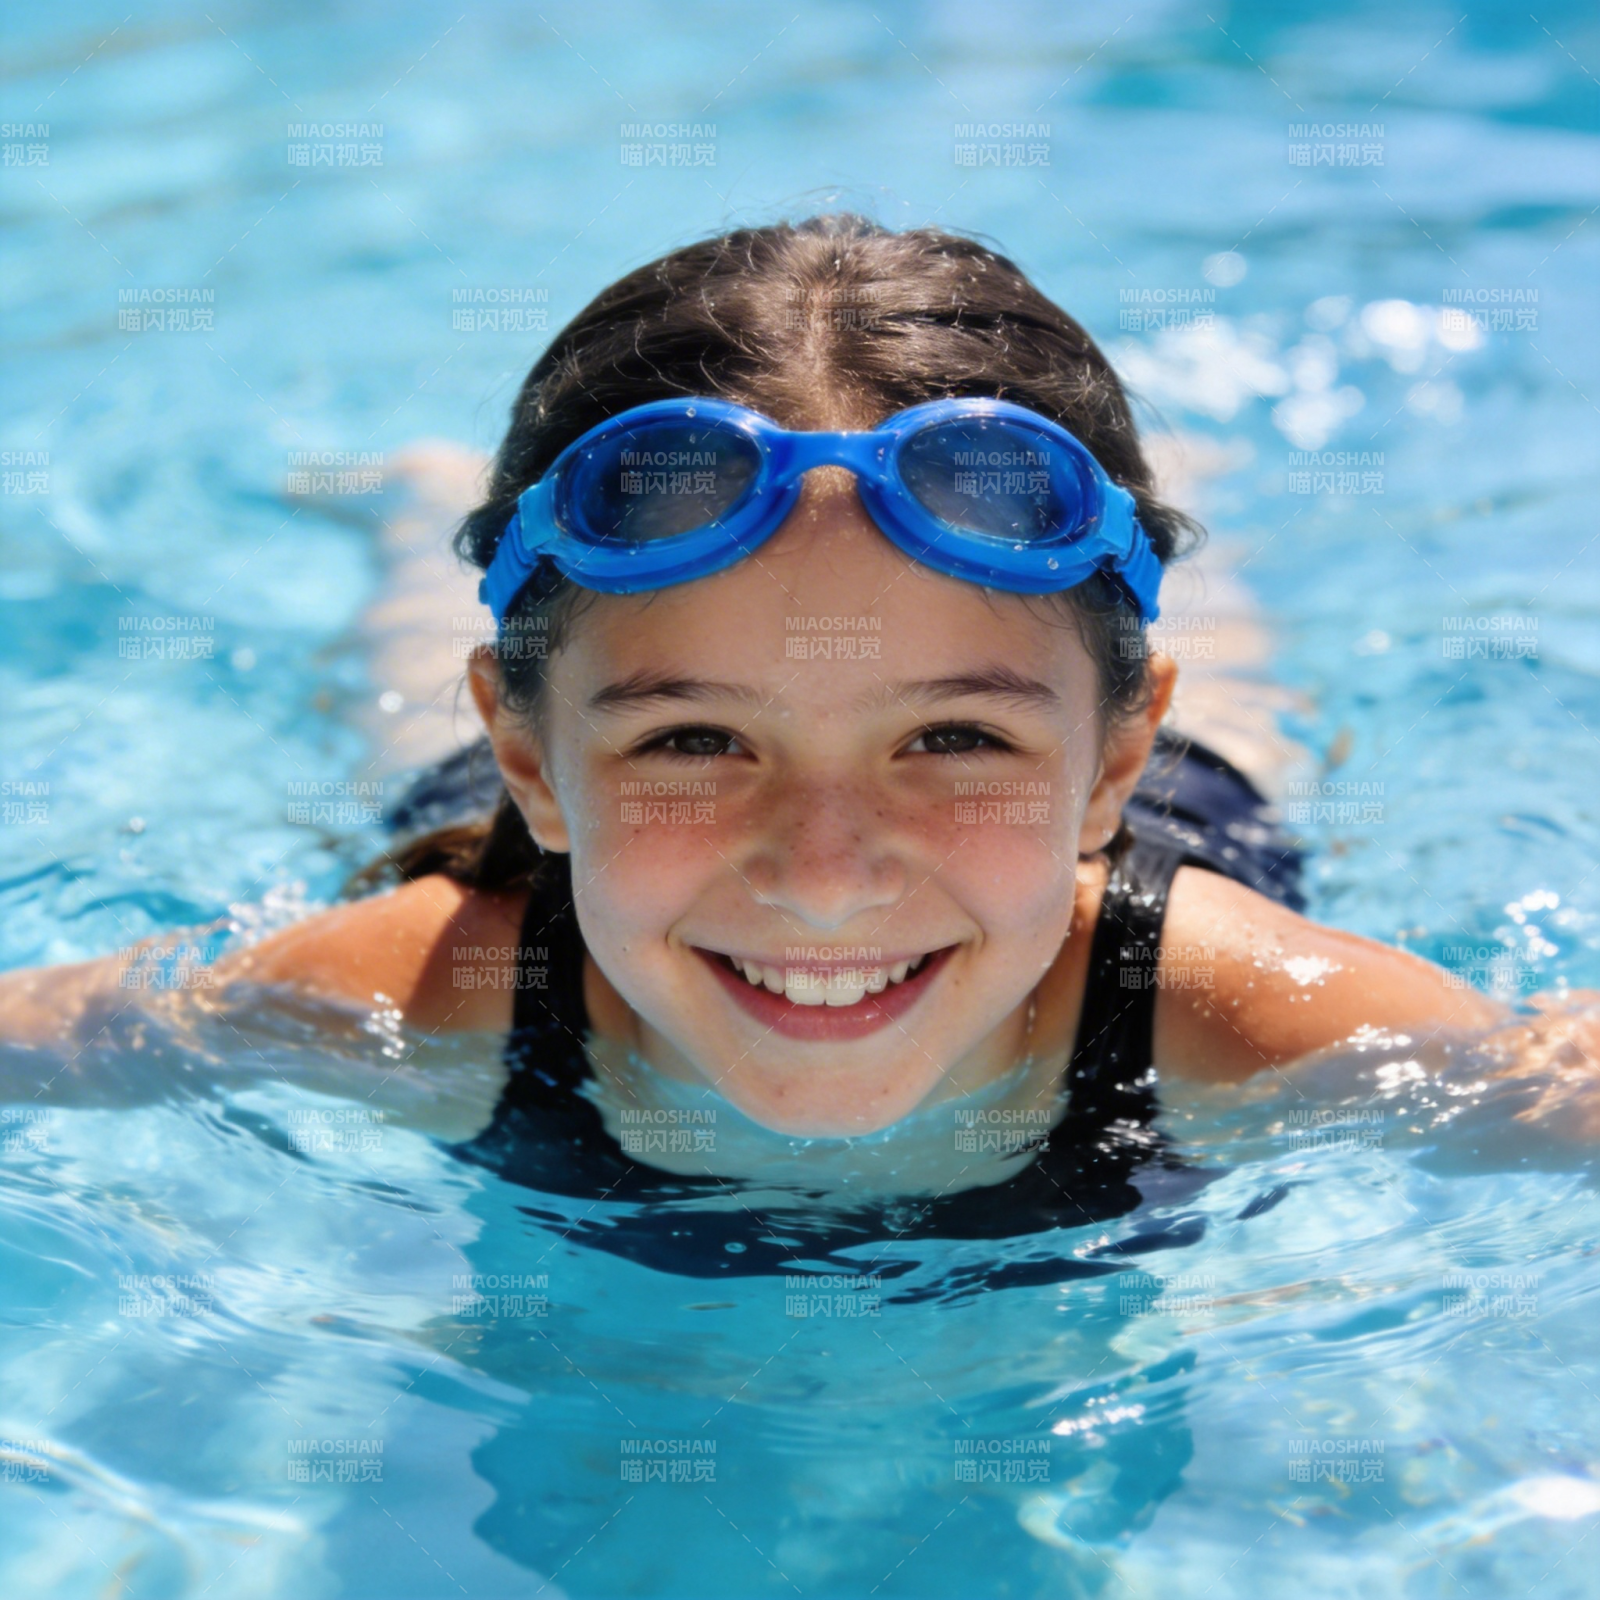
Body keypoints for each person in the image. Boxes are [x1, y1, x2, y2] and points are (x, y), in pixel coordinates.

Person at [3, 215, 1595, 1221]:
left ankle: (1195, 529)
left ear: (1116, 756)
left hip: (1125, 847)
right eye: (694, 739)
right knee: (418, 614)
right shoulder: (433, 986)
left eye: (952, 738)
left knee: (1216, 643)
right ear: (525, 757)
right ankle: (419, 513)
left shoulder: (1239, 1008)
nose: (826, 873)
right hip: (543, 860)